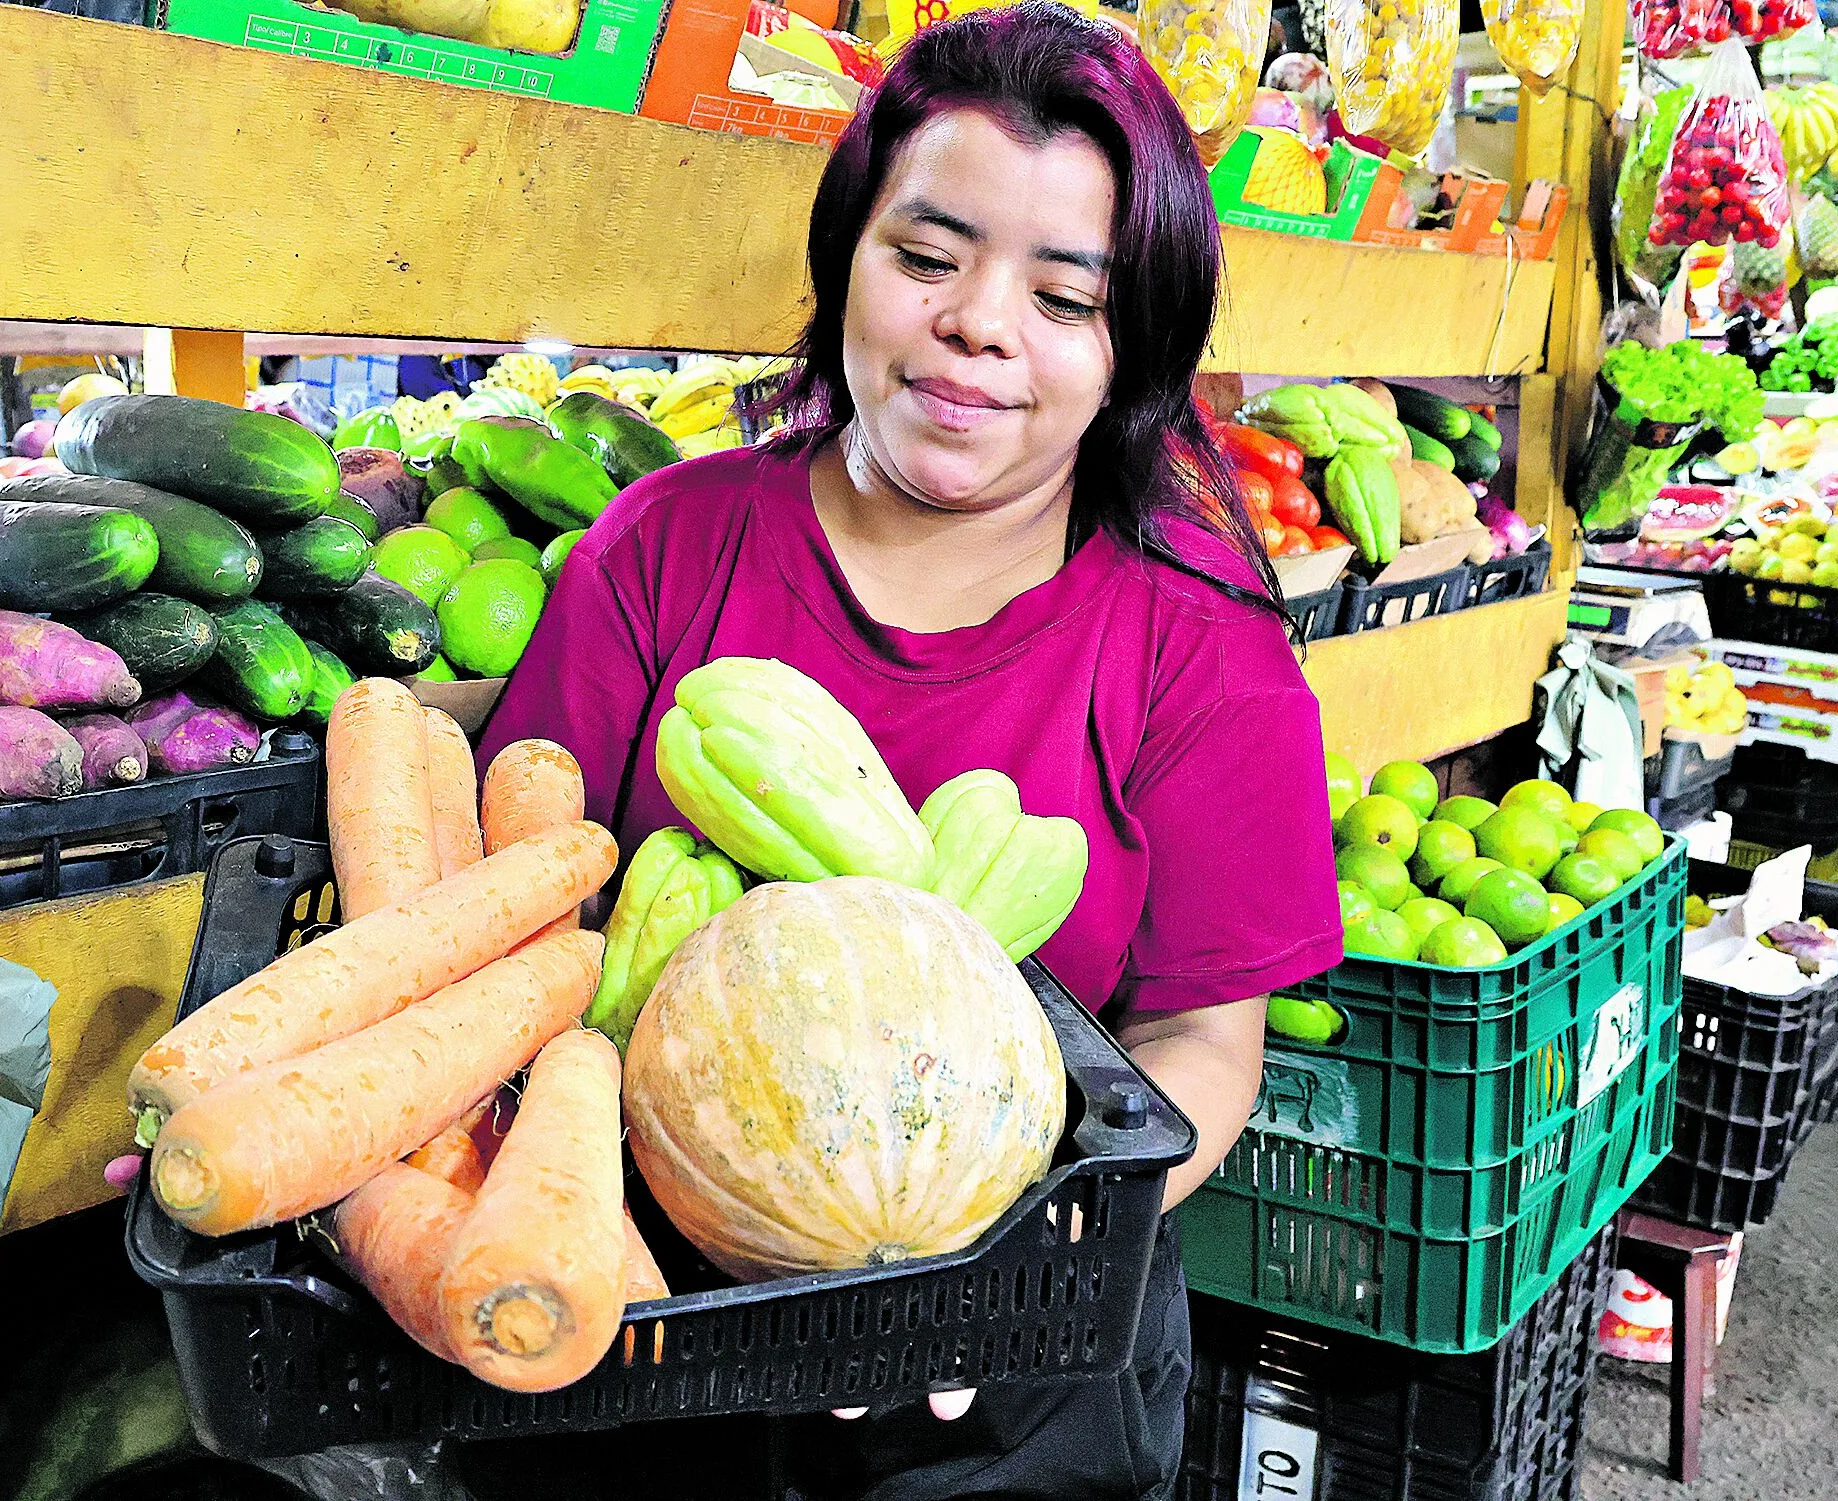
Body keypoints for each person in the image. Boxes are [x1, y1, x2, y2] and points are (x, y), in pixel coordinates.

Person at [463, 4, 1342, 1495]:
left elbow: (1205, 1047)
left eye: (1067, 298)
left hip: (1019, 1350)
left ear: (1136, 345)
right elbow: (498, 920)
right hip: (638, 1318)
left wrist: (988, 1269)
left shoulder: (1202, 638)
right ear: (845, 259)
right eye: (928, 258)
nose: (979, 326)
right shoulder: (663, 550)